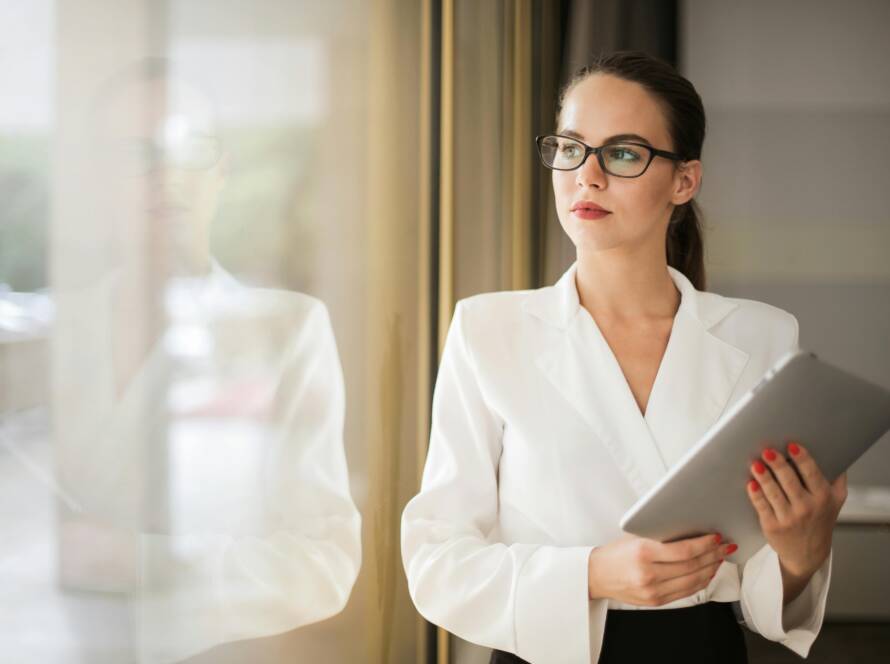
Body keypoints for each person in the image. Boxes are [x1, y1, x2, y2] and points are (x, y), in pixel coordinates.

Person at [400, 51, 847, 664]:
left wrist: (802, 551)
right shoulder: (488, 330)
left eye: (624, 153)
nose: (587, 176)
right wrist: (592, 574)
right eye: (571, 147)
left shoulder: (763, 338)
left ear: (684, 181)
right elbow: (437, 561)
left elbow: (769, 588)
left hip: (704, 651)